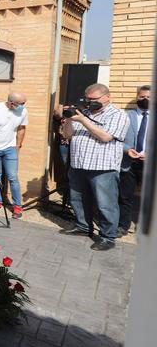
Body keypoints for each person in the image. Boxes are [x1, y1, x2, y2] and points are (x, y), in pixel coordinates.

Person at [59, 83, 129, 251]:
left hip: (103, 167)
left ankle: (108, 237)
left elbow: (105, 137)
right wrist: (69, 118)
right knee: (78, 199)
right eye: (88, 99)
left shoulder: (118, 115)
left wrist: (83, 120)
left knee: (105, 203)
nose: (90, 103)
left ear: (107, 97)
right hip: (79, 163)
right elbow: (67, 135)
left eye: (94, 99)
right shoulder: (84, 112)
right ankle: (83, 226)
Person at [120, 84, 150, 236]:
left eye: (149, 97)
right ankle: (122, 226)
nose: (145, 99)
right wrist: (127, 150)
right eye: (142, 97)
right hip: (129, 162)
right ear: (137, 97)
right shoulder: (126, 116)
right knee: (125, 196)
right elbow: (117, 139)